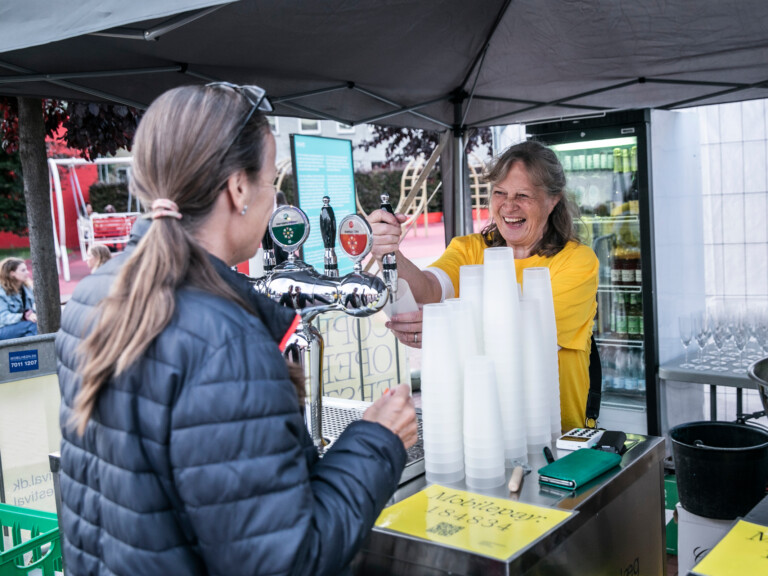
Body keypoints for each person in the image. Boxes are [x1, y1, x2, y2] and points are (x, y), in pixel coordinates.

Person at [56, 84, 417, 576]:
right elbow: (287, 560)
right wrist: (378, 439)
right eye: (272, 182)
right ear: (238, 189)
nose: (275, 200)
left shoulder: (90, 294)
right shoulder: (227, 342)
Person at [368, 140, 598, 432]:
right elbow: (427, 288)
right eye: (499, 193)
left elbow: (532, 339)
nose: (509, 206)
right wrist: (388, 253)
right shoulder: (469, 249)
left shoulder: (576, 262)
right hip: (481, 433)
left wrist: (445, 327)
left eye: (523, 195)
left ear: (552, 200)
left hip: (557, 435)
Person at [0, 257, 37, 340]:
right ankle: (27, 350)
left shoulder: (27, 288)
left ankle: (22, 350)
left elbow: (32, 309)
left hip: (20, 326)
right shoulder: (1, 292)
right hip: (3, 328)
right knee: (33, 326)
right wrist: (23, 316)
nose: (27, 272)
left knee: (40, 323)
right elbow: (2, 318)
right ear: (12, 273)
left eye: (27, 269)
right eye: (23, 270)